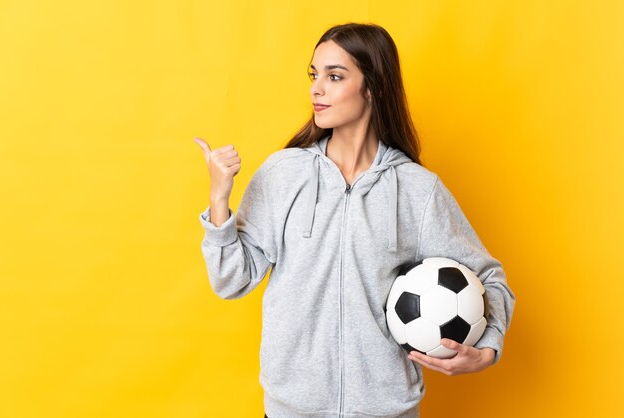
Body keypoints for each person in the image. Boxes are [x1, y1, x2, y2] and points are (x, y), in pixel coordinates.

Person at [194, 22, 515, 418]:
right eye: (314, 75)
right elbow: (231, 279)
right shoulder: (284, 174)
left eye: (334, 76)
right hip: (292, 410)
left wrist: (487, 348)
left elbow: (490, 278)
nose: (316, 88)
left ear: (373, 87)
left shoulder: (417, 189)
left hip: (387, 409)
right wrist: (219, 200)